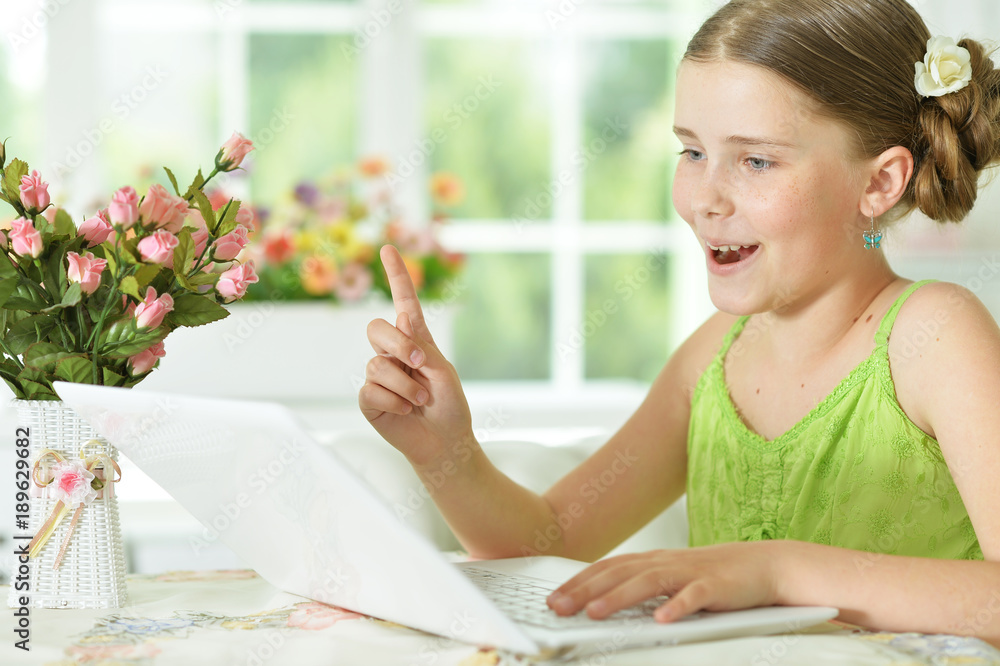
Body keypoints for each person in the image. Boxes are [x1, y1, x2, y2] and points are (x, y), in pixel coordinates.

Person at [359, 0, 1000, 645]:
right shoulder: (713, 359)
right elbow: (543, 542)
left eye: (756, 161)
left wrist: (780, 569)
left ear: (881, 182)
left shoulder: (934, 337)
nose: (704, 199)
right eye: (692, 151)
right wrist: (445, 450)